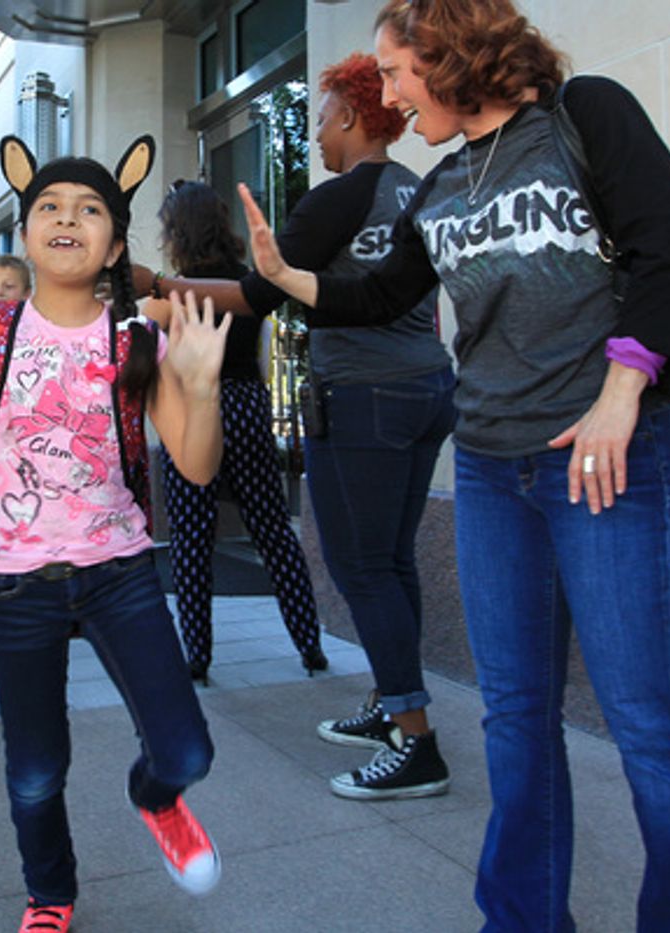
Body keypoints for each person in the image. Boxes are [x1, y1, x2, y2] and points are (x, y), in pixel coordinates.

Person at [239, 1, 670, 927]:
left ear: (452, 55)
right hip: (494, 473)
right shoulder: (441, 179)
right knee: (515, 717)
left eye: (398, 69)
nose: (390, 92)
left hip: (606, 462)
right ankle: (522, 917)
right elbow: (381, 293)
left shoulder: (586, 116)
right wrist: (286, 277)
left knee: (649, 726)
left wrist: (623, 391)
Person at [0, 134, 230, 933]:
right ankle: (50, 893)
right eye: (49, 207)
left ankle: (154, 795)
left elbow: (195, 469)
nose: (67, 218)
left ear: (116, 243)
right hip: (16, 578)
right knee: (34, 770)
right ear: (23, 231)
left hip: (119, 569)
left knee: (187, 751)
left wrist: (200, 387)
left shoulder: (136, 338)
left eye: (90, 209)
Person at [241, 53, 457, 799]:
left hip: (365, 398)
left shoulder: (336, 197)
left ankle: (416, 741)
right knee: (391, 560)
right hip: (428, 387)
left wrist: (158, 284)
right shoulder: (413, 186)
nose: (316, 133)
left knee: (361, 564)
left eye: (319, 116)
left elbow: (255, 295)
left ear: (350, 115)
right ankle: (392, 699)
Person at [146, 181, 326, 684]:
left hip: (192, 411)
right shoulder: (248, 286)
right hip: (246, 404)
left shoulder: (171, 293)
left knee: (190, 535)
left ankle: (197, 655)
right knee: (271, 528)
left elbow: (143, 345)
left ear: (178, 232)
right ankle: (308, 643)